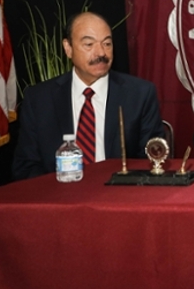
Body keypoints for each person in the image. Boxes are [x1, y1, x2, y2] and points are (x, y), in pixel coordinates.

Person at [13, 12, 164, 180]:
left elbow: (151, 161)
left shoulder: (139, 94)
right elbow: (26, 166)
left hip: (118, 197)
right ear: (68, 48)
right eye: (89, 44)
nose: (101, 53)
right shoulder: (39, 99)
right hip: (59, 197)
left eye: (107, 43)